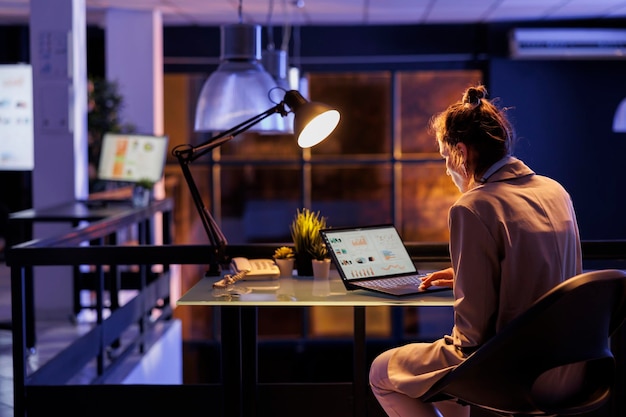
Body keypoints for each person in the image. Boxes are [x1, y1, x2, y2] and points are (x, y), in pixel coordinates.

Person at [369, 84, 584, 417]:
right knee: (439, 378)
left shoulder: (473, 206)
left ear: (461, 152)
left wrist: (470, 290)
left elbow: (471, 336)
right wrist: (464, 273)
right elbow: (542, 266)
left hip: (513, 369)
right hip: (572, 365)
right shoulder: (555, 191)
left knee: (382, 372)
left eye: (445, 158)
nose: (446, 169)